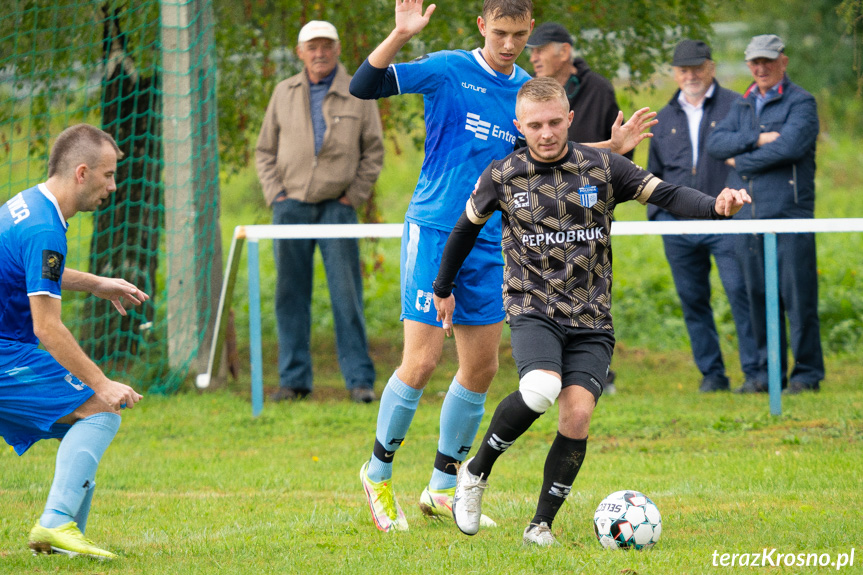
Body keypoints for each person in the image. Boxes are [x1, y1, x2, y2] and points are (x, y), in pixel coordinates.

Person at [350, 0, 654, 533]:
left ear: (530, 31)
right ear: (481, 27)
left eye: (517, 34)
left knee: (482, 369)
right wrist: (399, 35)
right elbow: (363, 85)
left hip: (494, 241)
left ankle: (443, 489)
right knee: (421, 363)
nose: (509, 44)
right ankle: (376, 473)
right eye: (499, 33)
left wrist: (611, 147)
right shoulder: (448, 69)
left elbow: (546, 145)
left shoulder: (523, 92)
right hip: (438, 230)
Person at [433, 77, 750, 545]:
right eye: (535, 125)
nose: (546, 133)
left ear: (570, 120)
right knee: (541, 387)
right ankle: (475, 475)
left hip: (591, 317)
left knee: (577, 416)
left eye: (555, 122)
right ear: (519, 125)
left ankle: (540, 525)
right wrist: (443, 287)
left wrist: (715, 206)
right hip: (532, 305)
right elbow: (463, 230)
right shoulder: (502, 174)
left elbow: (667, 194)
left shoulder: (602, 167)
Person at [0, 124, 147, 559]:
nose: (113, 186)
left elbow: (30, 268)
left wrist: (96, 283)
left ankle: (60, 542)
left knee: (78, 420)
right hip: (6, 354)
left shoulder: (28, 205)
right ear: (82, 173)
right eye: (108, 175)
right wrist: (102, 383)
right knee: (101, 410)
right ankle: (56, 523)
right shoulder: (47, 229)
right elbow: (48, 327)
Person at [256, 20, 384, 404]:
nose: (320, 53)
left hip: (337, 208)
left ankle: (359, 381)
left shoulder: (358, 91)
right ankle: (294, 381)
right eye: (312, 47)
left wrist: (353, 198)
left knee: (347, 295)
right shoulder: (283, 92)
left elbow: (373, 151)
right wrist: (276, 195)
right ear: (300, 52)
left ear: (338, 48)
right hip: (289, 206)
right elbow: (264, 151)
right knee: (289, 294)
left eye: (326, 45)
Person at [707, 34, 824, 394]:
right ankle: (764, 375)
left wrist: (739, 160)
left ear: (783, 62)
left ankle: (806, 376)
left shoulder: (802, 101)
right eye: (755, 62)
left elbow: (790, 147)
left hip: (789, 213)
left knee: (797, 296)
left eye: (768, 61)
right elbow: (715, 144)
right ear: (748, 65)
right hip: (747, 215)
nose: (761, 68)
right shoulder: (742, 103)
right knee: (755, 295)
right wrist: (759, 140)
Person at [647, 39, 760, 392]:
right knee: (692, 300)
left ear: (711, 67)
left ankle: (756, 373)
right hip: (678, 226)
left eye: (697, 67)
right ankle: (712, 375)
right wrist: (659, 217)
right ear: (675, 73)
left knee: (741, 293)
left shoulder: (737, 107)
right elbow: (654, 173)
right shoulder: (663, 118)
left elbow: (750, 159)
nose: (691, 75)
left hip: (728, 222)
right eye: (683, 69)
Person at [526, 21, 629, 391]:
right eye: (532, 50)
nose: (533, 56)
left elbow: (620, 154)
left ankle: (594, 372)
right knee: (540, 291)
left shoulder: (598, 89)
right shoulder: (528, 92)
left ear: (564, 52)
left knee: (587, 291)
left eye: (540, 49)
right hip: (536, 213)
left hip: (585, 213)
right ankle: (544, 368)